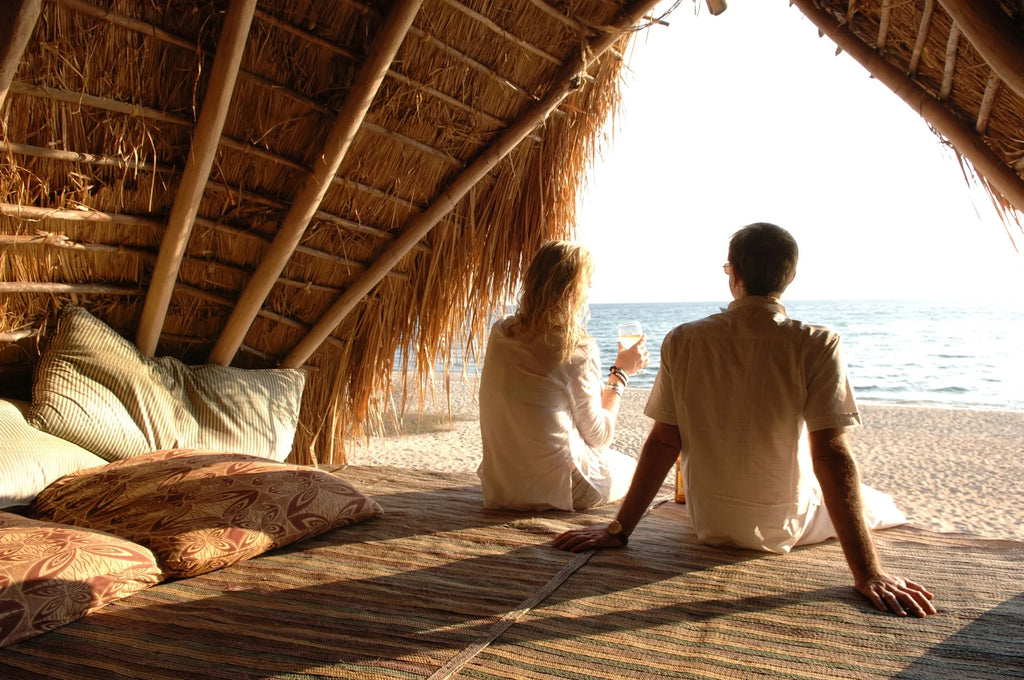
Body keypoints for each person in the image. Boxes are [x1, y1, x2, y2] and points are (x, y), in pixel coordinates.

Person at [554, 223, 936, 618]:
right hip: (781, 527)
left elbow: (664, 442)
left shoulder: (683, 340)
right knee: (880, 504)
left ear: (732, 274)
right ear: (789, 277)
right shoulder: (818, 343)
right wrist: (868, 571)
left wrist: (619, 530)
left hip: (709, 523)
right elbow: (832, 454)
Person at [477, 240, 648, 511]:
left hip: (502, 486)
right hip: (560, 491)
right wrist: (620, 373)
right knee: (632, 467)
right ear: (573, 291)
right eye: (587, 284)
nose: (589, 291)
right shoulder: (575, 348)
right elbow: (600, 436)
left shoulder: (500, 333)